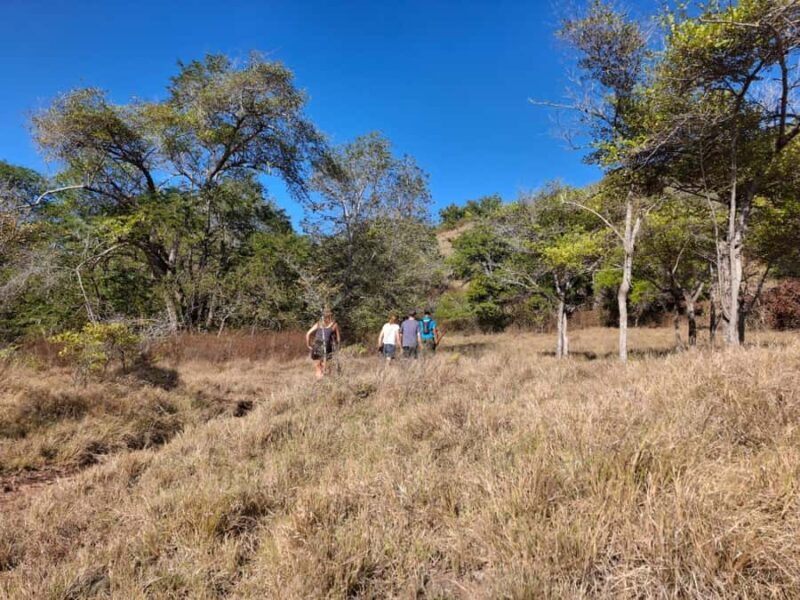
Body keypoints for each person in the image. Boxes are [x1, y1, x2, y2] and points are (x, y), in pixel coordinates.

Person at [306, 309, 340, 378]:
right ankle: (327, 384)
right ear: (331, 316)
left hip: (317, 346)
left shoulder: (318, 324)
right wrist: (337, 347)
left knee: (318, 367)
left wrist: (308, 345)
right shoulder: (334, 324)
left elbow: (307, 334)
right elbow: (338, 339)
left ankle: (319, 382)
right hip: (327, 347)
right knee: (327, 367)